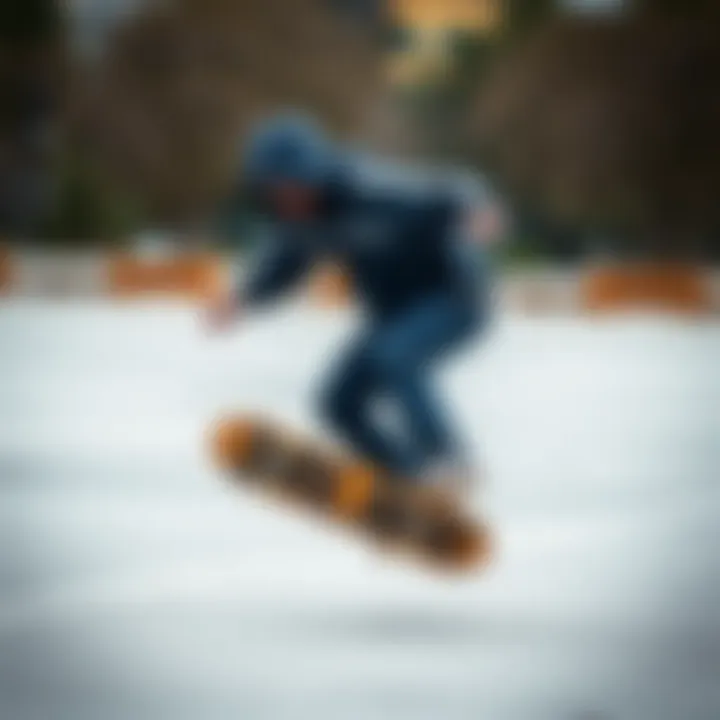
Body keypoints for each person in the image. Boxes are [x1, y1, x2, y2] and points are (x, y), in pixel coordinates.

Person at [207, 113, 502, 503]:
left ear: (315, 174)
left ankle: (449, 462)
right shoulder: (298, 223)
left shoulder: (368, 187)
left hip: (454, 299)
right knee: (337, 400)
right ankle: (404, 479)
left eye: (294, 188)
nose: (288, 200)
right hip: (393, 314)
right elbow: (282, 268)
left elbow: (449, 188)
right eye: (275, 193)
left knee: (396, 356)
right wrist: (242, 299)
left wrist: (475, 209)